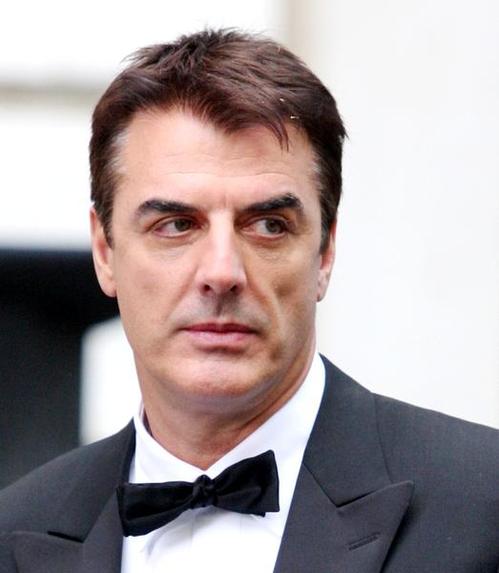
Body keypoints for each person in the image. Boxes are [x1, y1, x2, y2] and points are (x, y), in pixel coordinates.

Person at [0, 29, 498, 573]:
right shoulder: (14, 531)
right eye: (176, 224)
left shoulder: (482, 503)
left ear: (325, 252)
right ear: (105, 252)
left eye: (268, 225)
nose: (222, 272)